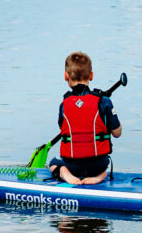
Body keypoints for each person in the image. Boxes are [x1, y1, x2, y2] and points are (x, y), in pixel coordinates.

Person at [48, 52, 122, 186]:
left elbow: (63, 129)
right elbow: (117, 133)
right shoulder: (104, 101)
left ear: (66, 76)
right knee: (104, 162)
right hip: (98, 164)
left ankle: (65, 173)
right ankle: (100, 176)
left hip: (72, 166)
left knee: (53, 163)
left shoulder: (64, 104)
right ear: (91, 75)